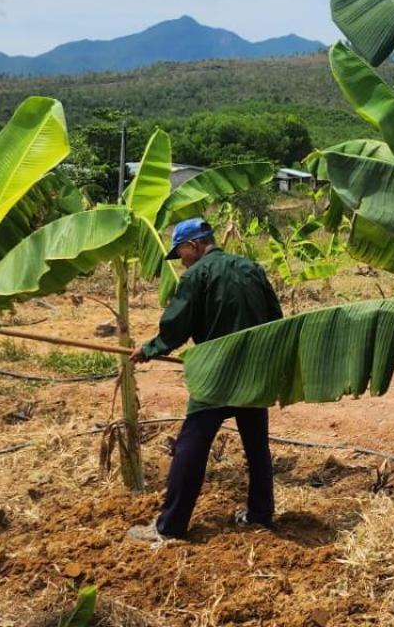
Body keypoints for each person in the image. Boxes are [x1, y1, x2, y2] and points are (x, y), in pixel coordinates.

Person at [126, 216, 282, 544]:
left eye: (180, 252)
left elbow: (176, 326)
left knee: (191, 446)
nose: (180, 261)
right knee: (256, 446)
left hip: (217, 373)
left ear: (194, 245)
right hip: (255, 371)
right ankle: (260, 514)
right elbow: (275, 320)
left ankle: (170, 527)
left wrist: (149, 349)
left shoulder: (198, 275)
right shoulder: (251, 267)